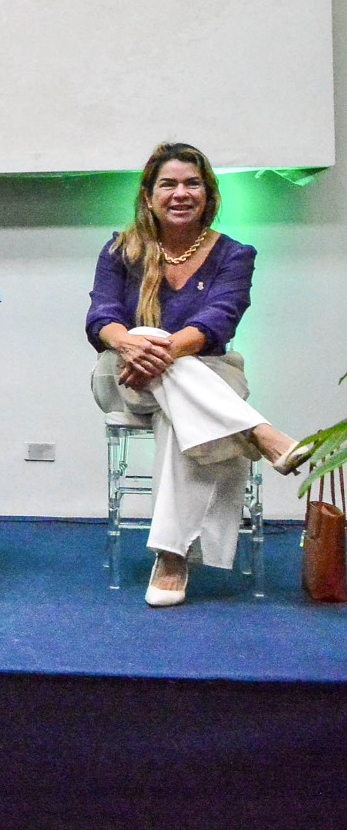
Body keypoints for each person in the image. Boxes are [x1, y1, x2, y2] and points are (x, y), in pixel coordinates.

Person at [86, 142, 309, 607]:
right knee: (148, 340)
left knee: (179, 414)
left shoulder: (234, 254)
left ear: (208, 195)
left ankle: (171, 555)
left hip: (203, 376)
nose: (181, 193)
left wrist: (159, 351)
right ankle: (259, 431)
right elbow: (101, 315)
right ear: (148, 196)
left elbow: (218, 322)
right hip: (122, 375)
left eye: (192, 184)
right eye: (168, 184)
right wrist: (131, 342)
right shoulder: (119, 250)